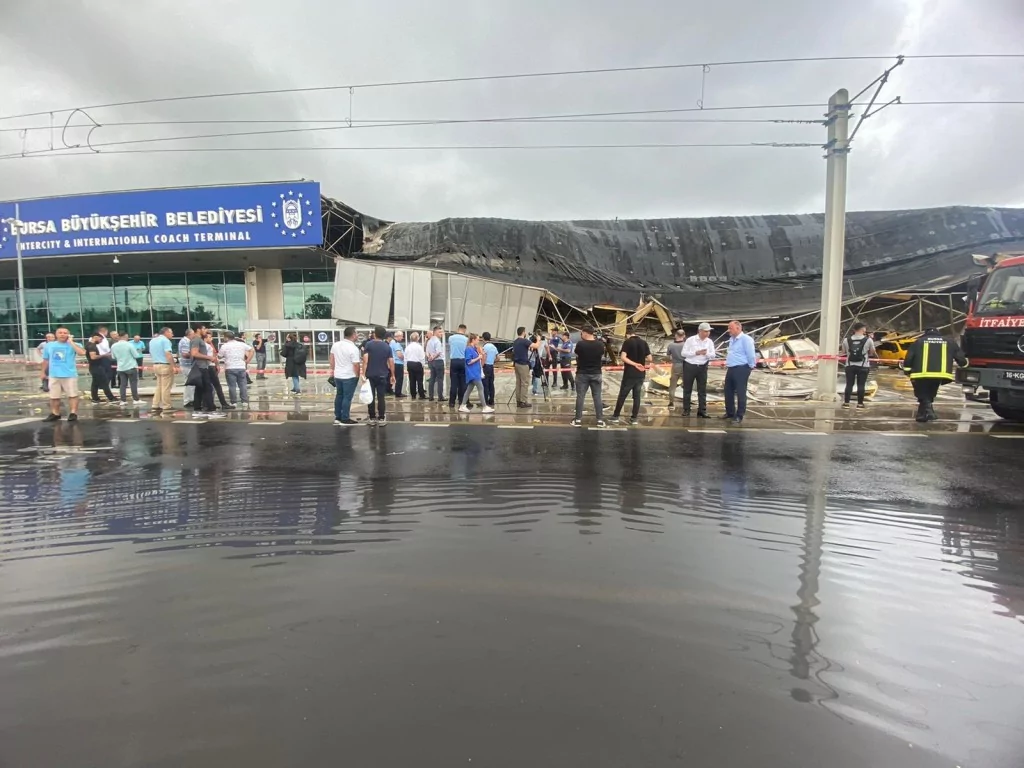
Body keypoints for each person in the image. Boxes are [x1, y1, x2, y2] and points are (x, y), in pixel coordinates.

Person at [904, 327, 968, 423]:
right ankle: (921, 415)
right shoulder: (949, 342)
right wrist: (965, 365)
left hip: (920, 374)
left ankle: (929, 412)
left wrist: (907, 371)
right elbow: (960, 358)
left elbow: (909, 358)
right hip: (940, 374)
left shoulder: (918, 342)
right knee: (930, 393)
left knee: (922, 393)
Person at [41, 327, 86, 422]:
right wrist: (43, 372)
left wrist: (71, 342)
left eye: (65, 333)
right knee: (54, 396)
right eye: (60, 333)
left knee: (72, 395)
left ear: (68, 334)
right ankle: (55, 413)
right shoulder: (49, 346)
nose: (62, 334)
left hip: (69, 374)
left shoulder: (75, 344)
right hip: (54, 375)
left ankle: (73, 413)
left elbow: (82, 353)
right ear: (56, 335)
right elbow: (46, 360)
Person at [611, 331, 652, 425]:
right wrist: (641, 360)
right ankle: (634, 418)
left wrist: (634, 363)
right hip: (641, 374)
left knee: (622, 395)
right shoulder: (644, 342)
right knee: (637, 397)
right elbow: (650, 359)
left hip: (629, 373)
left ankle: (616, 416)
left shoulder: (627, 342)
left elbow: (623, 357)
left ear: (628, 335)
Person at [571, 325, 606, 428]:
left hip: (582, 373)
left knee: (580, 396)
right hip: (596, 373)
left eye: (582, 333)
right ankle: (600, 420)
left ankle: (577, 420)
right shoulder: (600, 344)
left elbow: (577, 354)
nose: (581, 335)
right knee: (597, 397)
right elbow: (601, 355)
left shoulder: (581, 344)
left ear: (585, 333)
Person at [722, 320, 756, 425]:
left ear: (738, 328)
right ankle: (730, 412)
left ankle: (739, 415)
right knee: (728, 391)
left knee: (741, 392)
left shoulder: (746, 339)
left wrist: (750, 366)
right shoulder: (732, 339)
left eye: (730, 328)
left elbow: (751, 354)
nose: (729, 330)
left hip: (742, 368)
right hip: (731, 368)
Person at [680, 322, 716, 417]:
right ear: (700, 331)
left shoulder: (710, 342)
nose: (707, 333)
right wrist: (696, 352)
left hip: (703, 366)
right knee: (687, 389)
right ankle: (686, 409)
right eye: (705, 331)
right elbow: (683, 353)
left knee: (702, 390)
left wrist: (706, 354)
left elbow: (713, 355)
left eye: (708, 331)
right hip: (690, 366)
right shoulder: (691, 340)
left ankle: (702, 411)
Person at [362, 325, 395, 425]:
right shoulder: (387, 346)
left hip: (370, 374)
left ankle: (372, 418)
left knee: (370, 396)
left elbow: (365, 361)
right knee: (381, 397)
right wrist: (393, 375)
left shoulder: (368, 345)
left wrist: (363, 374)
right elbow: (391, 362)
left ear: (374, 334)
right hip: (382, 375)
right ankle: (381, 418)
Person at [331, 326, 362, 425]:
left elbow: (331, 359)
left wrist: (334, 370)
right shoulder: (353, 348)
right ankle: (345, 418)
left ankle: (338, 416)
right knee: (347, 397)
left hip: (338, 375)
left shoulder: (336, 345)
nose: (357, 335)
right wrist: (357, 376)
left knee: (339, 395)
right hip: (349, 376)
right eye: (356, 333)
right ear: (353, 335)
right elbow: (356, 364)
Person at [842, 323, 877, 409]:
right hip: (863, 366)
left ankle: (846, 403)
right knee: (861, 385)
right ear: (863, 329)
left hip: (850, 365)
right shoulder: (868, 340)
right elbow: (872, 352)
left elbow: (844, 352)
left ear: (854, 330)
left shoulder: (846, 340)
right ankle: (860, 404)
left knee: (849, 384)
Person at [188, 324, 220, 418]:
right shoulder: (196, 339)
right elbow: (194, 353)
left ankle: (197, 409)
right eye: (204, 328)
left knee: (200, 389)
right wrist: (209, 357)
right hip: (200, 367)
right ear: (198, 329)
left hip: (201, 366)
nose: (205, 330)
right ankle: (211, 409)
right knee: (207, 388)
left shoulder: (198, 339)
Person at [459, 334, 494, 414]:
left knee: (469, 389)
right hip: (473, 373)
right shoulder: (468, 349)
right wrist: (479, 357)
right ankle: (484, 406)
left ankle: (463, 405)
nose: (479, 341)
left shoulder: (474, 348)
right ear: (473, 340)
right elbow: (469, 361)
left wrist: (481, 354)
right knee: (481, 388)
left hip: (475, 372)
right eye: (477, 339)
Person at [219, 331, 253, 407]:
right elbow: (251, 350)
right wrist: (247, 360)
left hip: (230, 367)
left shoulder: (224, 346)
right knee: (243, 385)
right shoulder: (241, 344)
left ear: (226, 337)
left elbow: (219, 356)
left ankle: (233, 402)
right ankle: (244, 401)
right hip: (241, 367)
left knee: (232, 386)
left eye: (223, 337)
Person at [149, 327, 176, 412]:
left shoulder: (152, 341)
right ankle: (166, 405)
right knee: (166, 387)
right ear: (166, 332)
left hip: (156, 364)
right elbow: (168, 354)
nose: (172, 335)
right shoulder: (166, 341)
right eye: (171, 332)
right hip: (165, 365)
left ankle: (155, 404)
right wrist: (173, 366)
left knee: (159, 386)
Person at [84, 333, 116, 404]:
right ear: (95, 337)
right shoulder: (92, 346)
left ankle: (95, 398)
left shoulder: (88, 344)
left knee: (95, 383)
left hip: (93, 367)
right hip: (97, 367)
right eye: (100, 339)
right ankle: (111, 397)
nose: (101, 341)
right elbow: (93, 357)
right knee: (104, 382)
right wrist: (105, 355)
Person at [205, 332, 234, 410]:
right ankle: (219, 403)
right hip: (209, 367)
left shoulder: (210, 345)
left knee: (212, 387)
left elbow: (215, 356)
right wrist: (216, 364)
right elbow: (213, 357)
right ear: (205, 338)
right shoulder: (206, 346)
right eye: (209, 337)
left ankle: (210, 404)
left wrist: (217, 365)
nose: (211, 339)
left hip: (211, 366)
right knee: (215, 386)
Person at [110, 333, 140, 406]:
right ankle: (135, 399)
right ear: (125, 337)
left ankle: (123, 400)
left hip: (120, 367)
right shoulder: (129, 345)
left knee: (122, 384)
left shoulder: (113, 346)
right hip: (131, 366)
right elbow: (136, 355)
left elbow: (113, 357)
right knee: (133, 383)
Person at [447, 324, 469, 408]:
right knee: (462, 383)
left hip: (454, 361)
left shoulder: (451, 338)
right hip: (463, 361)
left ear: (458, 329)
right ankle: (461, 401)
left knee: (454, 383)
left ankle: (451, 402)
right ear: (464, 330)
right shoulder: (466, 339)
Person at [512, 327, 534, 408]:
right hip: (523, 364)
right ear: (523, 332)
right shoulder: (524, 341)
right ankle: (523, 401)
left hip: (516, 364)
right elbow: (535, 346)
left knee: (518, 383)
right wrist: (538, 339)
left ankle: (518, 400)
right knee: (524, 383)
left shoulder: (515, 341)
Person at [665, 329, 687, 410]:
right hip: (685, 366)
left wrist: (671, 359)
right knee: (687, 385)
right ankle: (686, 403)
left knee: (672, 385)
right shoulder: (686, 345)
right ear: (684, 336)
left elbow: (668, 357)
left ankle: (671, 403)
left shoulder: (671, 345)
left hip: (675, 366)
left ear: (676, 335)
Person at [404, 331, 427, 399]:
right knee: (419, 380)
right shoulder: (419, 347)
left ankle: (413, 394)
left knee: (412, 380)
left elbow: (405, 357)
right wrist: (423, 365)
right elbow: (422, 357)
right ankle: (421, 394)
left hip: (410, 364)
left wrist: (406, 366)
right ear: (417, 338)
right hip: (417, 364)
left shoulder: (407, 347)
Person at [426, 326, 446, 402]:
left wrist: (430, 358)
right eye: (439, 332)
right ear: (435, 332)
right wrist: (433, 357)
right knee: (440, 379)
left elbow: (427, 352)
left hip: (431, 362)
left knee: (432, 378)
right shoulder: (437, 341)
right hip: (438, 361)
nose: (441, 334)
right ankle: (440, 396)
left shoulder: (429, 341)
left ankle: (431, 396)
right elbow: (438, 352)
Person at [481, 332, 499, 408]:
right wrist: (492, 361)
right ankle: (491, 400)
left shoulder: (484, 347)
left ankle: (485, 400)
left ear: (483, 338)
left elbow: (482, 357)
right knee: (491, 384)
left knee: (485, 384)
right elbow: (498, 358)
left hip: (485, 366)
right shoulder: (493, 347)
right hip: (491, 366)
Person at [179, 329, 195, 407]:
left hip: (186, 365)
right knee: (191, 383)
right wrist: (195, 354)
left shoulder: (185, 341)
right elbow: (185, 354)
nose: (194, 336)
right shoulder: (185, 342)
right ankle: (190, 400)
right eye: (193, 334)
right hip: (187, 365)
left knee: (189, 384)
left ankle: (188, 400)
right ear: (189, 334)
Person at [390, 330, 407, 398]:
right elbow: (399, 354)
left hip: (394, 363)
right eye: (402, 336)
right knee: (399, 378)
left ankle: (397, 391)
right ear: (398, 336)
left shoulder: (392, 342)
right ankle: (398, 393)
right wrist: (404, 358)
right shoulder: (396, 343)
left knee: (396, 378)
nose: (402, 338)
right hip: (398, 363)